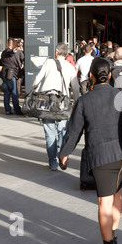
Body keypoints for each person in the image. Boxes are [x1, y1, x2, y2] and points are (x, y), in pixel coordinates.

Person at [58, 58, 122, 244]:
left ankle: (109, 243)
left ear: (91, 76)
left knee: (104, 203)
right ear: (109, 75)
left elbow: (74, 131)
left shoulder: (84, 101)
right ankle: (113, 233)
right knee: (117, 194)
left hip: (102, 159)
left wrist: (64, 153)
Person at [32, 43, 80, 171]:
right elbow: (75, 88)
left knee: (50, 133)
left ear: (56, 52)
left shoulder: (48, 63)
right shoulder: (70, 67)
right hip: (63, 103)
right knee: (63, 131)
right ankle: (61, 155)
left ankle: (53, 162)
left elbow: (37, 79)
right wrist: (76, 103)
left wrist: (34, 90)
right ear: (67, 54)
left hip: (47, 102)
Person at [0, 38, 23, 115]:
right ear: (13, 45)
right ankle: (17, 109)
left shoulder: (3, 52)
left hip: (5, 74)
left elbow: (1, 62)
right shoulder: (13, 52)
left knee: (6, 93)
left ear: (7, 44)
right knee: (14, 93)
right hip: (12, 75)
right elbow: (12, 53)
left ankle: (8, 110)